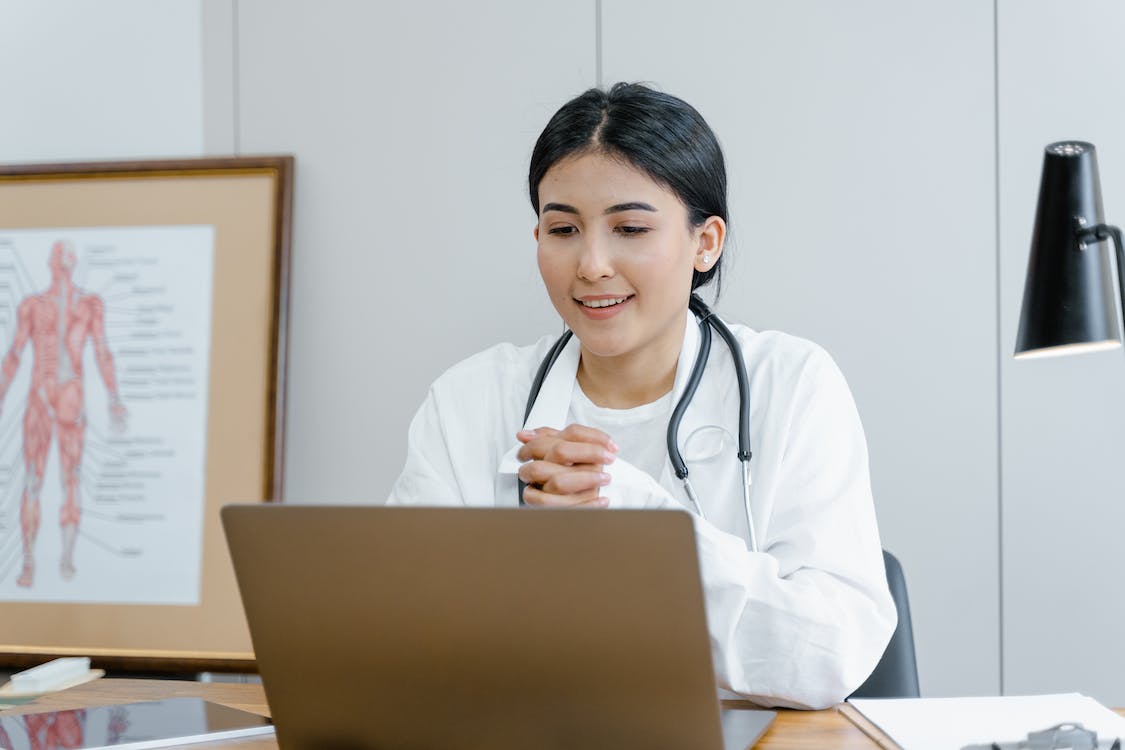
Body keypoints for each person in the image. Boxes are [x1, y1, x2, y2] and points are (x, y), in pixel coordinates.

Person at [386, 83, 896, 709]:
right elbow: (402, 643)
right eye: (563, 228)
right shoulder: (470, 401)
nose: (592, 264)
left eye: (629, 227)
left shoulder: (789, 385)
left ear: (705, 242)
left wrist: (645, 528)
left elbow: (831, 654)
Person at [0, 240, 127, 587]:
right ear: (51, 263)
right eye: (58, 257)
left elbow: (102, 351)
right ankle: (28, 562)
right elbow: (13, 354)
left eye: (64, 258)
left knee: (70, 478)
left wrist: (115, 397)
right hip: (40, 397)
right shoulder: (32, 306)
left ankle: (67, 558)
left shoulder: (89, 305)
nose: (61, 263)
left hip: (70, 396)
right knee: (33, 479)